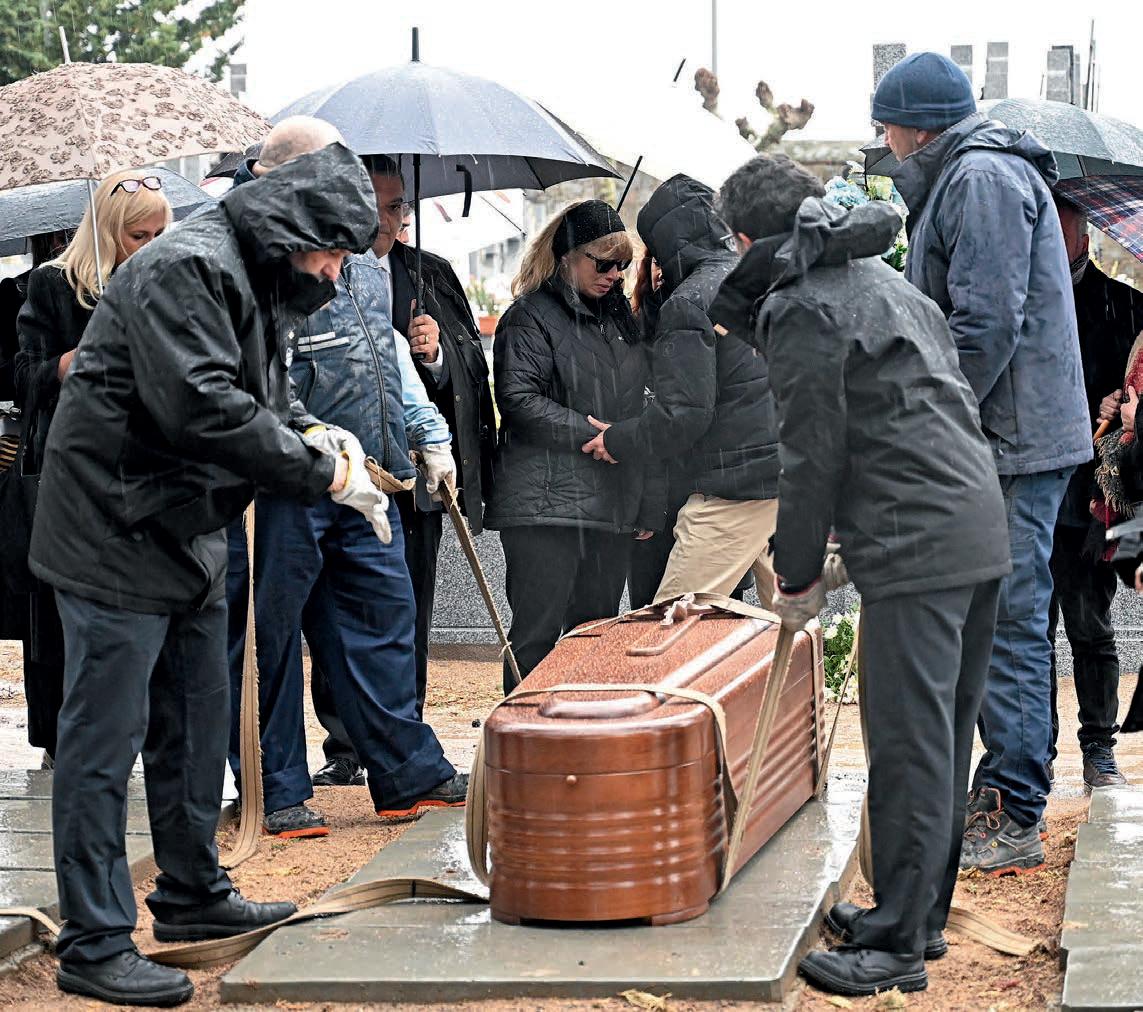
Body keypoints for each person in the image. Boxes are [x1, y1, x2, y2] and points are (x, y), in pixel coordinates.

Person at [27, 137, 383, 1007]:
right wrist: (317, 472)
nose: (335, 275)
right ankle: (94, 939)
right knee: (102, 741)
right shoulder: (188, 268)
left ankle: (190, 894)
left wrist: (312, 431)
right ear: (294, 231)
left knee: (194, 720)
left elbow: (259, 391)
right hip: (113, 524)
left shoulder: (254, 276)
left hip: (189, 524)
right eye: (332, 254)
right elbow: (203, 404)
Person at [711, 152, 1010, 997]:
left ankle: (895, 950)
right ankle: (915, 915)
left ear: (741, 238)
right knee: (942, 738)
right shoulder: (882, 277)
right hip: (972, 526)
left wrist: (797, 575)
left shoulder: (803, 305)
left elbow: (808, 455)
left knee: (909, 744)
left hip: (917, 542)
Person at [873, 52, 1090, 875]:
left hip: (1010, 440)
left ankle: (1012, 806)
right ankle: (1002, 790)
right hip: (1007, 435)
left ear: (914, 124)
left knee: (1005, 624)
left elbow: (984, 325)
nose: (885, 143)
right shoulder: (972, 174)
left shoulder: (979, 181)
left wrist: (934, 424)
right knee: (996, 621)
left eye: (886, 125)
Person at [225, 134, 467, 837]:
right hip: (283, 485)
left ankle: (406, 774)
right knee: (267, 639)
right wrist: (307, 446)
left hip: (366, 480)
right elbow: (259, 377)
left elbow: (385, 361)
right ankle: (275, 786)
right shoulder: (252, 256)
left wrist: (426, 434)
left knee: (384, 624)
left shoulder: (366, 268)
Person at [309, 154, 497, 788]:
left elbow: (470, 370)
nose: (394, 220)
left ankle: (402, 723)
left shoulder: (431, 273)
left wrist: (437, 352)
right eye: (384, 207)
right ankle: (343, 739)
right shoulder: (322, 272)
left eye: (399, 207)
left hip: (413, 472)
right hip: (339, 470)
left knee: (405, 608)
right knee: (337, 613)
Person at [12, 176, 170, 768]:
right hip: (70, 473)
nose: (149, 245)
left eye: (159, 233)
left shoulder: (166, 284)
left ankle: (136, 729)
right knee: (63, 613)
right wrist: (66, 364)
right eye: (137, 235)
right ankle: (61, 737)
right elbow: (18, 374)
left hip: (145, 469)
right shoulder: (54, 284)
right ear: (106, 232)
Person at [581, 174, 779, 608]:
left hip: (734, 488)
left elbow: (685, 414)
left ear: (667, 242)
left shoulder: (690, 302)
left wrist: (618, 438)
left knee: (669, 628)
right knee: (791, 634)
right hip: (790, 479)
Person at [484, 200, 648, 691]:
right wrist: (593, 433)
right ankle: (521, 744)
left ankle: (579, 744)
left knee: (595, 634)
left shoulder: (620, 321)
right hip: (544, 507)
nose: (615, 274)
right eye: (603, 263)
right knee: (535, 637)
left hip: (606, 503)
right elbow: (517, 398)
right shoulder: (528, 317)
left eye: (623, 264)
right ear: (567, 258)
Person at [1048, 197, 1141, 789]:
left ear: (1084, 231)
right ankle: (1033, 753)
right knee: (1027, 632)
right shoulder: (1016, 302)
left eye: (1063, 227)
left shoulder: (1124, 304)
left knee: (1090, 623)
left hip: (1092, 489)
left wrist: (1121, 407)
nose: (1053, 240)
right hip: (1029, 484)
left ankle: (1098, 746)